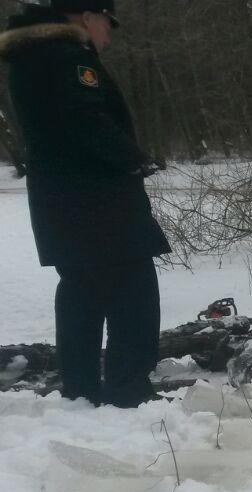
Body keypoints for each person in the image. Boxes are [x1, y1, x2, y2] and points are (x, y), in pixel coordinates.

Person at [0, 0, 170, 408]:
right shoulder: (69, 58)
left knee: (82, 293)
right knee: (134, 293)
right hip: (99, 202)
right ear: (88, 17)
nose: (108, 33)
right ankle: (129, 389)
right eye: (107, 23)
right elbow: (86, 121)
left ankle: (81, 390)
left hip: (61, 203)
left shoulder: (31, 57)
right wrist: (133, 158)